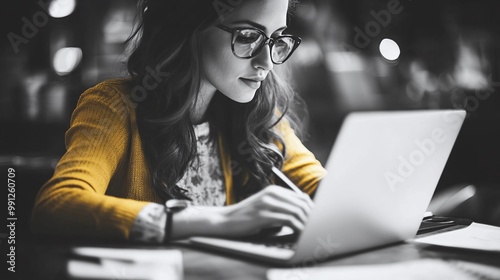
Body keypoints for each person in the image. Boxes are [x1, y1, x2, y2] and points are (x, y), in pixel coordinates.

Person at [31, 0, 326, 243]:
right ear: (189, 28)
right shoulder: (116, 107)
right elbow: (56, 205)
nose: (266, 63)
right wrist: (221, 219)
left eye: (276, 40)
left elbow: (322, 187)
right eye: (248, 37)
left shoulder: (257, 112)